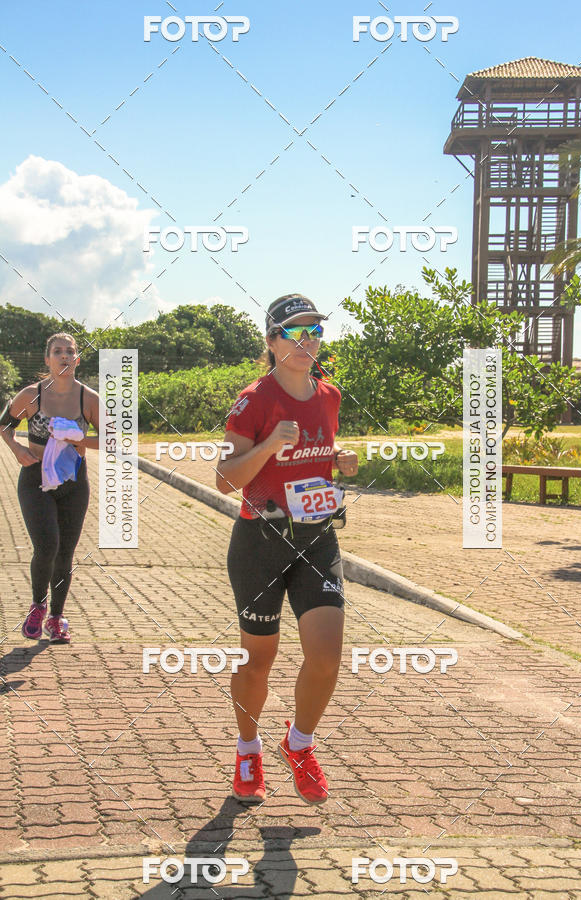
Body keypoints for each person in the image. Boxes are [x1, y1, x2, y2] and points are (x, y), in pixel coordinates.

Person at [216, 294, 358, 806]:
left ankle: (299, 744)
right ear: (272, 341)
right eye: (295, 332)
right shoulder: (255, 400)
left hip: (318, 537)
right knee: (259, 660)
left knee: (326, 656)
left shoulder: (330, 395)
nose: (307, 341)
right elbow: (225, 479)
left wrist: (338, 459)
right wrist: (268, 445)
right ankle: (247, 748)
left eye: (315, 331)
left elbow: (319, 456)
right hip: (260, 541)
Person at [0, 333, 99, 643]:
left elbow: (113, 439)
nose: (64, 356)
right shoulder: (30, 395)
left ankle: (56, 618)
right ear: (47, 359)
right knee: (47, 546)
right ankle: (37, 606)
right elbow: (4, 425)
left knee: (65, 553)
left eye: (70, 351)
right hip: (35, 481)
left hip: (73, 483)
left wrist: (78, 439)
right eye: (57, 351)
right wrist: (17, 450)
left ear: (77, 359)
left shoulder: (89, 398)